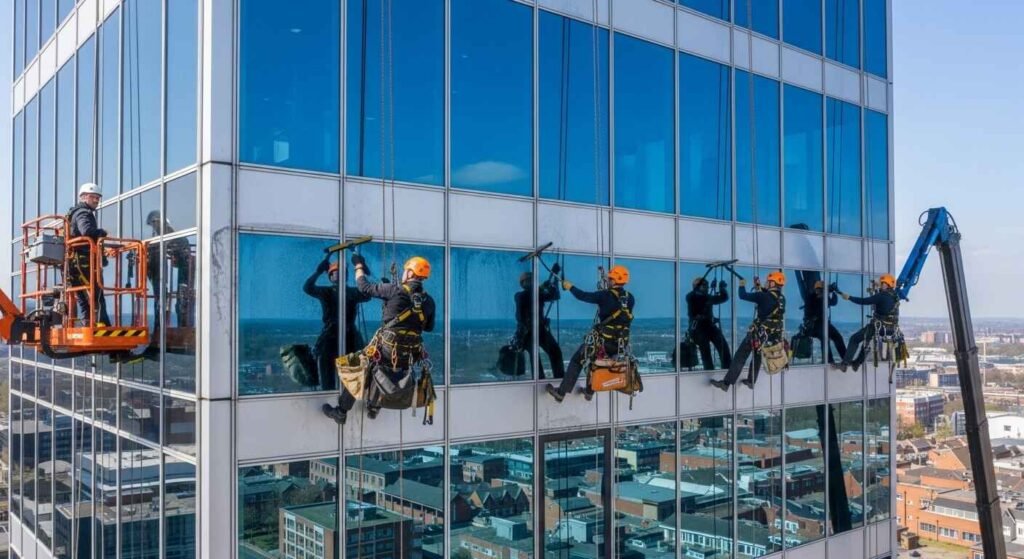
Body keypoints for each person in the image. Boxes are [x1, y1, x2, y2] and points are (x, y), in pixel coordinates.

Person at [322, 255, 436, 425]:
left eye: (406, 270)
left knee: (358, 368)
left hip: (388, 349)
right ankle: (374, 407)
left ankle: (341, 411)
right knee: (386, 371)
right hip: (408, 355)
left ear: (411, 273)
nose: (404, 273)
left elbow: (364, 287)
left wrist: (358, 265)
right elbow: (428, 327)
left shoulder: (394, 290)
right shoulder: (429, 302)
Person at [545, 265, 634, 403]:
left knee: (578, 360)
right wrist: (606, 283)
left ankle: (561, 393)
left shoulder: (604, 296)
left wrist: (570, 286)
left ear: (613, 280)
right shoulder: (630, 298)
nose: (608, 280)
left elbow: (583, 296)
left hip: (602, 342)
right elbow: (615, 303)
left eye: (610, 278)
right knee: (596, 364)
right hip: (619, 344)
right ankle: (589, 392)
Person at [710, 271, 786, 391]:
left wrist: (741, 284)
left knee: (740, 356)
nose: (766, 283)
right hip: (769, 335)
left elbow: (743, 295)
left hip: (756, 334)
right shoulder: (781, 299)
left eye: (768, 281)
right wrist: (758, 286)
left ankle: (726, 383)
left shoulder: (763, 296)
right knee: (757, 356)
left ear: (772, 283)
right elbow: (768, 298)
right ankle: (751, 381)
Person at [304, 257, 371, 390]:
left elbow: (367, 293)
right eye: (335, 272)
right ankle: (337, 399)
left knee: (349, 382)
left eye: (341, 272)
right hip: (336, 335)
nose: (338, 274)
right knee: (334, 379)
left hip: (343, 336)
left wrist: (362, 269)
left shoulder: (347, 292)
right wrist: (361, 267)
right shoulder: (330, 292)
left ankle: (343, 402)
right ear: (331, 277)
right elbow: (308, 288)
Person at [65, 182, 111, 326]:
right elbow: (87, 232)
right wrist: (102, 233)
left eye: (98, 198)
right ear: (83, 197)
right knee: (96, 296)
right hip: (84, 262)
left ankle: (89, 326)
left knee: (84, 299)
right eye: (93, 197)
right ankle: (102, 328)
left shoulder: (74, 213)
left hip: (76, 262)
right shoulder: (83, 213)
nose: (96, 200)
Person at [837, 274, 900, 372]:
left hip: (878, 326)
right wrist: (877, 285)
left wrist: (849, 297)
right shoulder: (895, 296)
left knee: (855, 339)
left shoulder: (881, 296)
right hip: (890, 328)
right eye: (881, 284)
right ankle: (857, 363)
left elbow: (864, 301)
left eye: (883, 284)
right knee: (867, 342)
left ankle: (845, 364)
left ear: (887, 285)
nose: (881, 285)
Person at [513, 270, 565, 379]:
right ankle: (540, 381)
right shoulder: (520, 296)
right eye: (529, 281)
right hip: (527, 332)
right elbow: (529, 296)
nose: (532, 282)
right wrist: (542, 288)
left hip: (539, 329)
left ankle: (559, 378)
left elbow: (555, 296)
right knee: (535, 358)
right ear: (523, 284)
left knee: (555, 352)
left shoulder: (537, 294)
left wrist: (553, 283)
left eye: (532, 280)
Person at [792, 280, 847, 364]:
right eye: (819, 289)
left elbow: (833, 302)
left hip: (823, 323)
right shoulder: (811, 297)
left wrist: (833, 293)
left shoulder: (824, 296)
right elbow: (818, 302)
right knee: (825, 338)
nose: (819, 291)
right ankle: (829, 361)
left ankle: (845, 358)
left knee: (837, 337)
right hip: (813, 325)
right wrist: (828, 292)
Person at [686, 277, 731, 371]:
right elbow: (723, 298)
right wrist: (722, 288)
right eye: (705, 286)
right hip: (700, 329)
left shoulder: (695, 296)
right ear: (698, 287)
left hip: (705, 327)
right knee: (707, 352)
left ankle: (723, 369)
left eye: (707, 285)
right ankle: (719, 370)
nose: (707, 288)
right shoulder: (697, 297)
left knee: (719, 347)